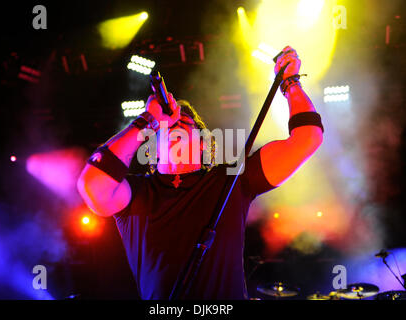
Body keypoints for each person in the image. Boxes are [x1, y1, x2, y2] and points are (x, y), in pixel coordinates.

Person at [77, 46, 324, 299]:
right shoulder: (136, 193)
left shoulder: (231, 181)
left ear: (204, 142)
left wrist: (290, 82)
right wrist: (149, 118)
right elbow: (92, 183)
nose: (176, 124)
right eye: (168, 125)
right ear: (152, 145)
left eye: (186, 122)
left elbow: (307, 138)